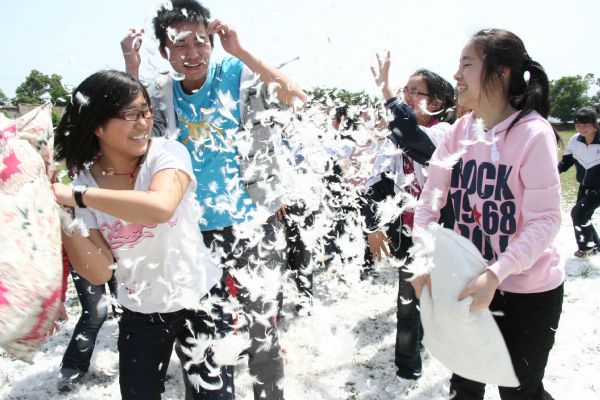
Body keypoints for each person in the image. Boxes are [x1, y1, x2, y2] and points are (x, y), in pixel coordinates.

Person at [121, 2, 308, 399]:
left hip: (252, 226)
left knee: (262, 326)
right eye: (180, 43)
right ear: (164, 51)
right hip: (192, 235)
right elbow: (129, 142)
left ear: (213, 43)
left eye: (200, 41)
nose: (192, 53)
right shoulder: (159, 95)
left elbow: (296, 97)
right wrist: (131, 69)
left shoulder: (235, 75)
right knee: (201, 332)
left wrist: (240, 50)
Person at [52, 70, 230, 400]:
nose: (143, 122)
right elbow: (99, 270)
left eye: (145, 110)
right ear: (97, 124)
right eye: (130, 114)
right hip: (141, 311)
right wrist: (63, 215)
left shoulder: (168, 153)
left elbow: (160, 206)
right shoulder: (85, 179)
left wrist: (76, 196)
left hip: (202, 299)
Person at [412, 29, 565, 399]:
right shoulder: (460, 131)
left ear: (500, 73)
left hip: (526, 292)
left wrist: (497, 273)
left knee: (520, 391)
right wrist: (423, 259)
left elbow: (546, 220)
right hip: (465, 281)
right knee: (464, 383)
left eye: (467, 64)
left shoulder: (533, 134)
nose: (457, 75)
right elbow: (430, 200)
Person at [365, 51, 455, 393]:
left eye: (416, 92)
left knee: (438, 297)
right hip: (408, 233)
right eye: (406, 91)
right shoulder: (393, 139)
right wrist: (372, 226)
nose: (407, 97)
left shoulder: (446, 132)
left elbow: (415, 140)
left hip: (442, 233)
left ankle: (439, 344)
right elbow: (375, 183)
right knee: (407, 302)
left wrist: (386, 91)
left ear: (436, 101)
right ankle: (407, 369)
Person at [57, 269, 117, 392]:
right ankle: (73, 366)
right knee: (95, 314)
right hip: (85, 257)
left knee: (129, 309)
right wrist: (58, 296)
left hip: (125, 254)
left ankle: (138, 362)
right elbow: (61, 255)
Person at [558, 105, 600, 257]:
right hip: (584, 186)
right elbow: (567, 161)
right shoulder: (575, 140)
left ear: (594, 124)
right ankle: (596, 246)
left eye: (586, 124)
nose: (581, 128)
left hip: (598, 189)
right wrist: (554, 171)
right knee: (584, 215)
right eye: (578, 124)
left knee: (578, 213)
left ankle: (585, 247)